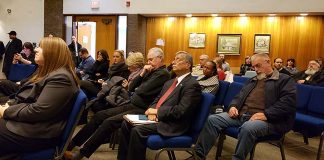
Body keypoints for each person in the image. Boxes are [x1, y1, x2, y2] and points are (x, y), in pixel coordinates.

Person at [64, 47, 170, 160]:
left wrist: (139, 83)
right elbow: (132, 87)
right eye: (148, 60)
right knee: (99, 116)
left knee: (109, 122)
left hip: (143, 109)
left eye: (151, 60)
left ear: (160, 59)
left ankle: (80, 154)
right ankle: (72, 144)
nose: (148, 63)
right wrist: (143, 72)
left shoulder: (162, 74)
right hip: (133, 104)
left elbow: (140, 90)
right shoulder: (150, 71)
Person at [191, 53, 296, 160]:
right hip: (242, 115)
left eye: (258, 66)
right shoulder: (253, 80)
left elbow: (287, 104)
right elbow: (238, 97)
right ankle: (199, 155)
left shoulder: (285, 80)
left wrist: (266, 114)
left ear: (268, 62)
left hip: (269, 120)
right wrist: (233, 106)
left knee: (248, 128)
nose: (255, 69)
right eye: (253, 66)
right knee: (213, 119)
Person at [0, 37, 79, 159]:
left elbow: (38, 110)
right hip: (31, 125)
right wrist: (10, 105)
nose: (36, 49)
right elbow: (30, 99)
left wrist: (7, 111)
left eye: (41, 47)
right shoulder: (51, 72)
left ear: (52, 52)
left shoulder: (61, 78)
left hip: (36, 132)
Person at [117, 51, 202, 160]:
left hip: (173, 124)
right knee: (126, 124)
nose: (173, 62)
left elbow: (181, 111)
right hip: (159, 117)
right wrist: (150, 110)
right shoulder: (170, 82)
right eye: (174, 59)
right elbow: (157, 99)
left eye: (178, 59)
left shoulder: (192, 85)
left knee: (137, 130)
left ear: (188, 65)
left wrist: (158, 112)